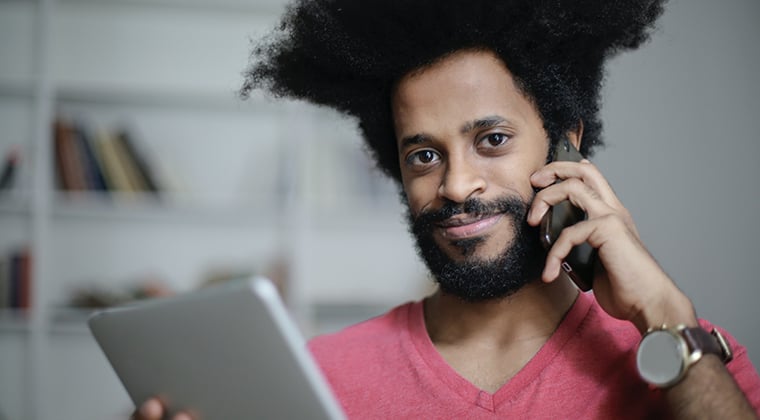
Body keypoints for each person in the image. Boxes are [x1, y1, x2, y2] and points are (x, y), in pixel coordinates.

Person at [136, 0, 760, 418]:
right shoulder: (321, 380)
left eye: (491, 140)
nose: (457, 185)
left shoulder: (689, 357)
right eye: (425, 156)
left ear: (566, 142)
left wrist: (669, 319)